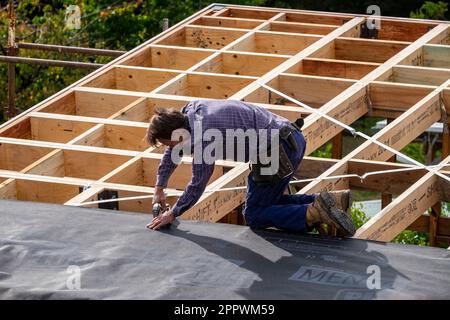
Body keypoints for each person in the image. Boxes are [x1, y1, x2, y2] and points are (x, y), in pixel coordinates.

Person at [146, 99, 356, 236]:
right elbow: (172, 153)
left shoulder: (202, 138)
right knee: (269, 203)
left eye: (169, 143)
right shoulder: (192, 110)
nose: (172, 149)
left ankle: (314, 212)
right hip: (291, 138)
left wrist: (173, 213)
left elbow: (197, 184)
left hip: (277, 151)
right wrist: (159, 188)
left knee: (255, 213)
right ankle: (332, 201)